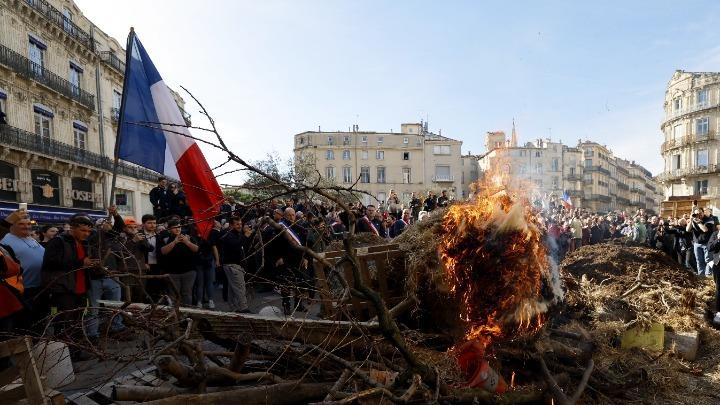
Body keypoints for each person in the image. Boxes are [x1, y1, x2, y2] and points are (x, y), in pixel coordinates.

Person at [41, 214, 97, 360]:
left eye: (88, 231)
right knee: (65, 324)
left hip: (80, 289)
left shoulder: (84, 243)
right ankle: (64, 357)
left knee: (78, 322)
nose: (86, 234)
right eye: (83, 230)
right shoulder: (58, 242)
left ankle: (76, 353)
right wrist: (80, 263)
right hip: (64, 290)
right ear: (72, 228)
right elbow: (50, 263)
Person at [0, 217, 46, 334]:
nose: (26, 226)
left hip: (39, 286)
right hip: (23, 289)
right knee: (26, 322)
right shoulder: (5, 240)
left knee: (39, 318)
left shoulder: (31, 239)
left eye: (28, 224)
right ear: (11, 226)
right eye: (21, 224)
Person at [158, 219, 199, 306]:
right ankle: (174, 314)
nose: (178, 229)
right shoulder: (165, 238)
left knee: (187, 293)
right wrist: (175, 242)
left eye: (179, 227)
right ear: (169, 229)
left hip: (189, 271)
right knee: (173, 294)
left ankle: (187, 313)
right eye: (175, 227)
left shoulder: (188, 237)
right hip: (172, 272)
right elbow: (163, 251)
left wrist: (187, 242)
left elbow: (196, 249)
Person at [218, 217, 251, 313]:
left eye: (240, 224)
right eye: (237, 224)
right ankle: (243, 307)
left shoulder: (237, 234)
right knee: (240, 287)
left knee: (232, 288)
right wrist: (246, 236)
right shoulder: (229, 235)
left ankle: (234, 307)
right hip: (232, 265)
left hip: (235, 264)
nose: (239, 226)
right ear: (231, 225)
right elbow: (236, 246)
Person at [687, 206, 714, 277]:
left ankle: (708, 276)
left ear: (703, 212)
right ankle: (701, 276)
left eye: (700, 213)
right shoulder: (694, 220)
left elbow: (705, 230)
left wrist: (698, 222)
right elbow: (687, 230)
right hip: (697, 244)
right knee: (699, 261)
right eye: (696, 214)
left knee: (708, 260)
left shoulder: (709, 219)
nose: (698, 215)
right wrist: (691, 220)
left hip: (707, 243)